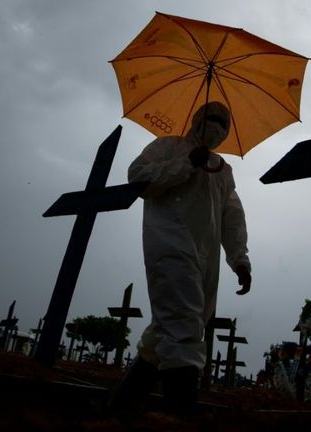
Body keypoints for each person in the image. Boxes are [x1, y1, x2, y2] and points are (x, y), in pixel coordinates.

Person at [109, 102, 251, 416]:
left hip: (206, 257)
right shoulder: (167, 147)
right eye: (211, 119)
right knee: (184, 324)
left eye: (223, 124)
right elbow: (139, 179)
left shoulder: (223, 170)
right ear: (197, 119)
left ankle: (121, 408)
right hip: (170, 245)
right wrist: (186, 163)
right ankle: (181, 414)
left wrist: (240, 259)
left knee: (172, 327)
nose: (216, 127)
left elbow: (232, 217)